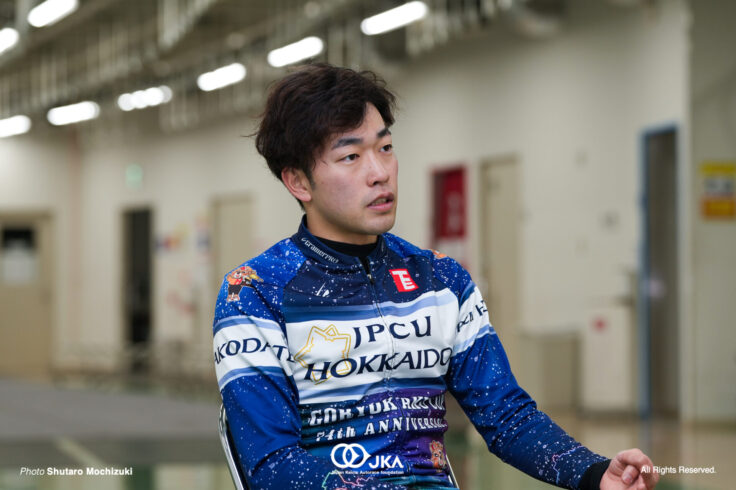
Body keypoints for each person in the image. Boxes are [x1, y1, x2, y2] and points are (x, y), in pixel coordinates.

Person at [212, 63, 660, 490]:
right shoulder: (255, 293)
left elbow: (506, 416)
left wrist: (592, 473)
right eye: (350, 156)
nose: (379, 173)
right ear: (298, 182)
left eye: (385, 148)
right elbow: (272, 466)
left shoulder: (440, 280)